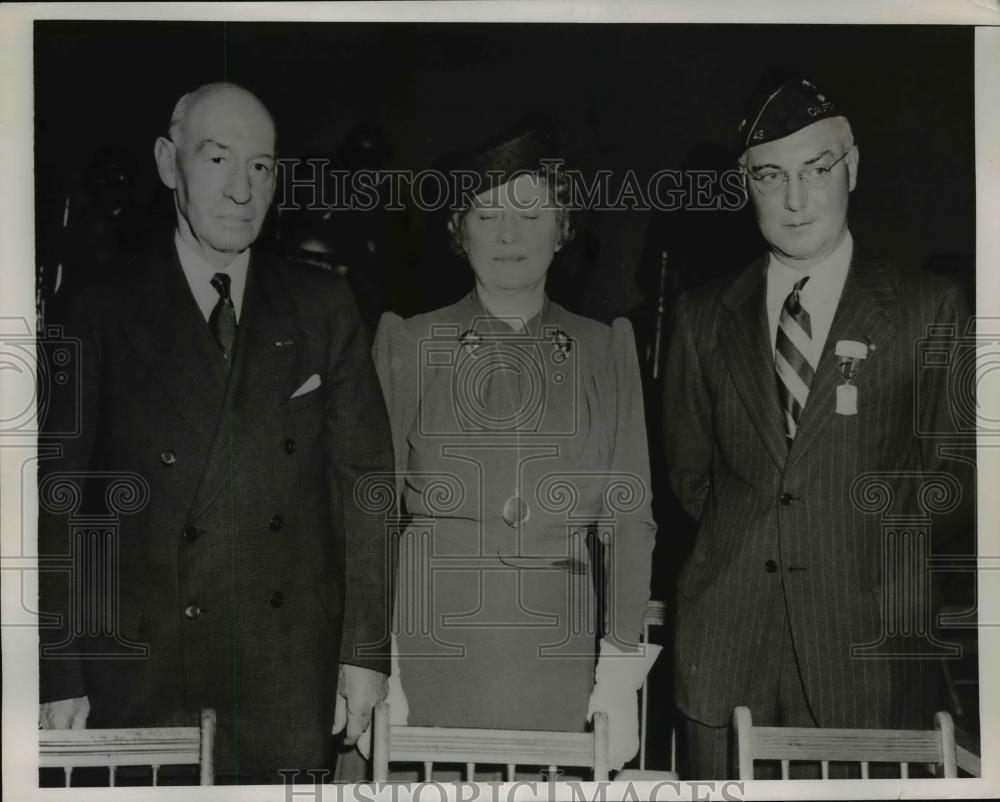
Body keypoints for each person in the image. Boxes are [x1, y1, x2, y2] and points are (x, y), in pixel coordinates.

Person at [37, 82, 394, 783]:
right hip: (140, 669)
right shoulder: (99, 306)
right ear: (170, 164)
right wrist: (58, 668)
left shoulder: (323, 305)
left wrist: (365, 652)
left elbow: (367, 488)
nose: (241, 190)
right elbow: (56, 500)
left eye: (260, 166)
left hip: (286, 673)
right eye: (217, 159)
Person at [663, 75, 972, 779]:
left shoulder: (929, 308)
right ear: (747, 185)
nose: (796, 199)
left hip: (869, 656)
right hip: (726, 655)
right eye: (772, 176)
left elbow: (962, 474)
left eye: (817, 170)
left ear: (852, 167)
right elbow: (689, 476)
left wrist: (856, 535)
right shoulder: (701, 315)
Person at [369, 125, 660, 776]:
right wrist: (371, 665)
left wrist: (619, 670)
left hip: (559, 662)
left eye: (530, 215)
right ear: (458, 230)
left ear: (562, 229)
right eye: (487, 214)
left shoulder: (603, 348)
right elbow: (370, 516)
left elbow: (629, 518)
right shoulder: (409, 341)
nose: (507, 235)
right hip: (429, 650)